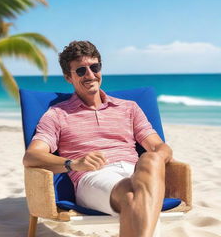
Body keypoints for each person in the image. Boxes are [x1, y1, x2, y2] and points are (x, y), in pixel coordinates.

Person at [23, 41, 173, 237]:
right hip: (92, 177)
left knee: (151, 159)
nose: (90, 75)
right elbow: (32, 156)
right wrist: (73, 164)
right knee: (133, 195)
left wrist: (158, 160)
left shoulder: (129, 108)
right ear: (68, 77)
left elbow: (160, 147)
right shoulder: (57, 114)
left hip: (136, 172)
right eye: (81, 71)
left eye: (95, 67)